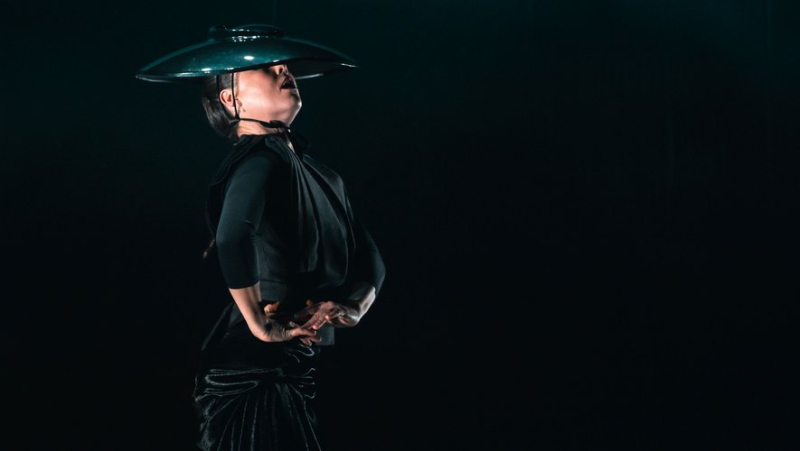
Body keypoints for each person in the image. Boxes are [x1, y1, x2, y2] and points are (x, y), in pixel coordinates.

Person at [136, 24, 386, 450]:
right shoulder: (260, 156)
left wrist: (350, 307)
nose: (283, 68)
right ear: (230, 100)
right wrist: (260, 324)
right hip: (252, 371)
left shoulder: (325, 176)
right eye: (268, 68)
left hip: (291, 366)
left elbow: (371, 261)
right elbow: (234, 237)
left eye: (282, 64)